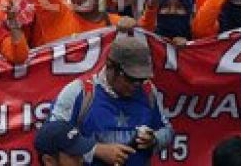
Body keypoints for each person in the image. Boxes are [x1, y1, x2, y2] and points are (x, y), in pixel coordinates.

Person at [48, 35, 174, 165]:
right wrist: (95, 150)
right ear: (110, 68)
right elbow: (52, 139)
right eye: (131, 78)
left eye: (141, 79)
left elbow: (167, 130)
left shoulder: (148, 91)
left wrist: (154, 140)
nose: (136, 85)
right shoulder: (79, 92)